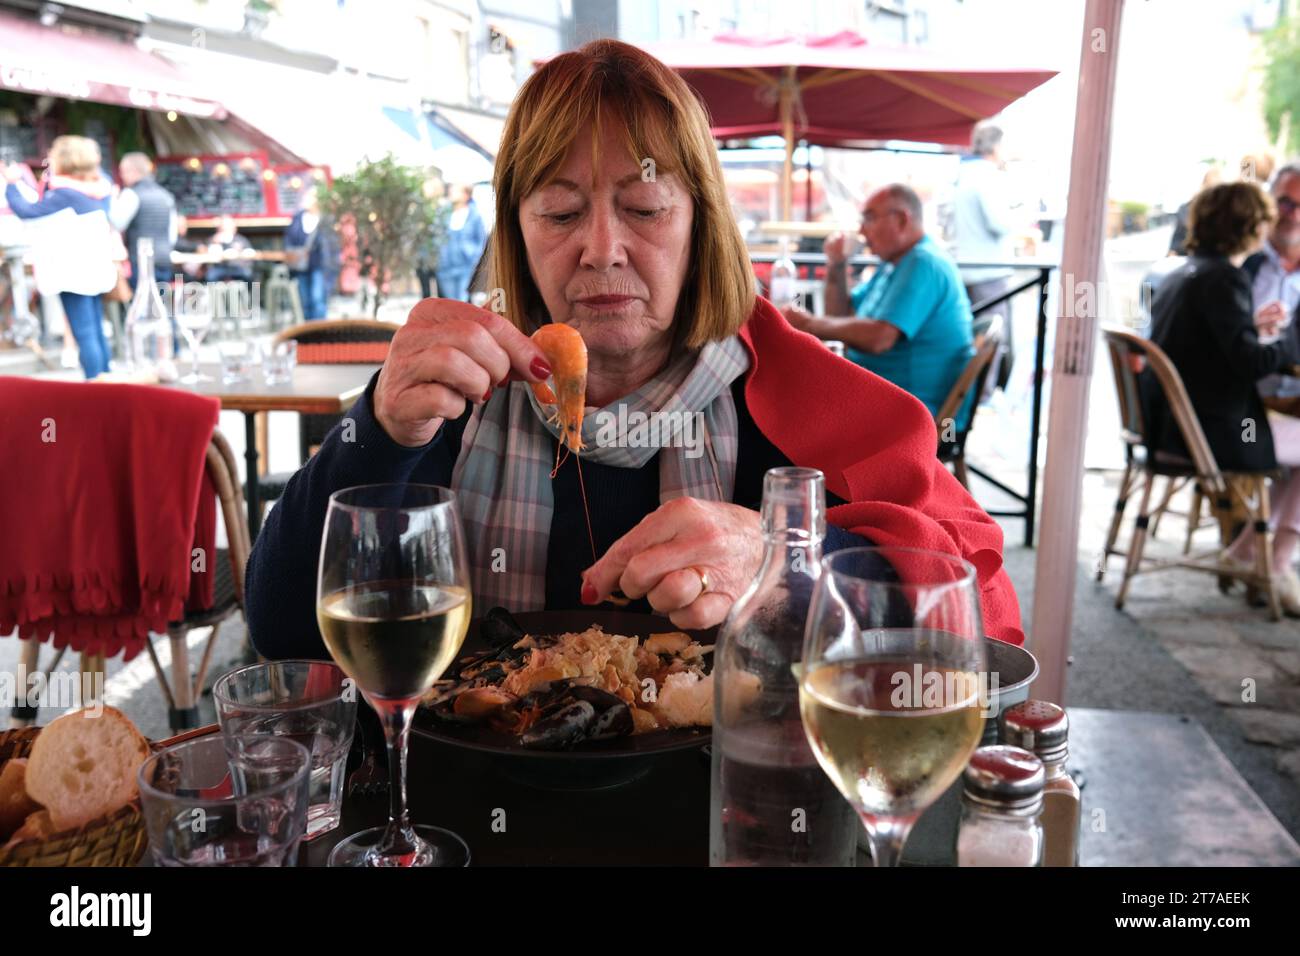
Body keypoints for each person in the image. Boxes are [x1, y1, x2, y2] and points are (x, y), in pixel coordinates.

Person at [244, 39, 1022, 661]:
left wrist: (787, 562)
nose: (602, 249)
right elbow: (280, 633)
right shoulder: (454, 391)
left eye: (644, 206)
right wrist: (377, 430)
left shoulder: (793, 395)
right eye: (559, 212)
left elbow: (981, 614)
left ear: (700, 225)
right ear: (516, 233)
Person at [1139, 181, 1300, 610]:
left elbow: (1214, 345)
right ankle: (1273, 563)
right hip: (1205, 436)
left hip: (1168, 426)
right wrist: (1291, 340)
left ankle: (1250, 554)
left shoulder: (1188, 271)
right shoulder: (1224, 277)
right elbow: (1251, 365)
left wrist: (1252, 328)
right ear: (1251, 225)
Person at [782, 184, 976, 426]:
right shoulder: (893, 263)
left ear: (902, 220)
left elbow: (879, 339)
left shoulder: (924, 263)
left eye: (870, 218)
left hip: (914, 414)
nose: (861, 230)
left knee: (785, 400)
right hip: (882, 397)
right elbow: (840, 315)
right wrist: (837, 264)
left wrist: (807, 323)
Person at [3, 136, 117, 379]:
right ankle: (108, 380)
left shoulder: (65, 193)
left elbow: (28, 212)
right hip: (95, 267)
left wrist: (12, 184)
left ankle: (97, 383)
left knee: (84, 332)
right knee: (95, 328)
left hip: (73, 270)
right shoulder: (101, 186)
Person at [950, 121, 1019, 389]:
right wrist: (1019, 214)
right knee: (991, 337)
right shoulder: (989, 177)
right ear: (996, 146)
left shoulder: (959, 175)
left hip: (964, 266)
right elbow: (999, 222)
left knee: (968, 336)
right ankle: (983, 395)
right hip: (989, 270)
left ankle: (967, 395)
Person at [111, 152, 177, 290]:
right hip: (164, 258)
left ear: (133, 171)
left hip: (141, 260)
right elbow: (172, 234)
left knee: (143, 307)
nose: (122, 176)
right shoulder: (165, 195)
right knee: (161, 305)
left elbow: (117, 223)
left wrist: (113, 201)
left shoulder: (131, 194)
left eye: (123, 172)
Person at [285, 188, 339, 320]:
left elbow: (331, 243)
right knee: (304, 299)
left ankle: (320, 329)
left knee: (318, 297)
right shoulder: (298, 218)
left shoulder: (325, 219)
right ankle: (308, 330)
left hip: (320, 264)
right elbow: (289, 238)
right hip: (301, 265)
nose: (306, 201)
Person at [436, 183, 487, 301]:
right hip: (445, 266)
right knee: (451, 302)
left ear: (466, 195)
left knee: (462, 301)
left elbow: (481, 239)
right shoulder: (444, 213)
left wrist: (474, 257)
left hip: (466, 265)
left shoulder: (474, 215)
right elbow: (437, 235)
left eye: (456, 190)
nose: (451, 193)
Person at [204, 215, 254, 283]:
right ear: (219, 228)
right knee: (210, 276)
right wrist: (215, 242)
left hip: (237, 267)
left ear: (234, 228)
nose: (225, 229)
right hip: (219, 268)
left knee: (249, 275)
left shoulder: (241, 239)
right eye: (223, 227)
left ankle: (252, 293)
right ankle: (214, 293)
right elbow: (206, 254)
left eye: (228, 226)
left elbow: (250, 253)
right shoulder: (213, 239)